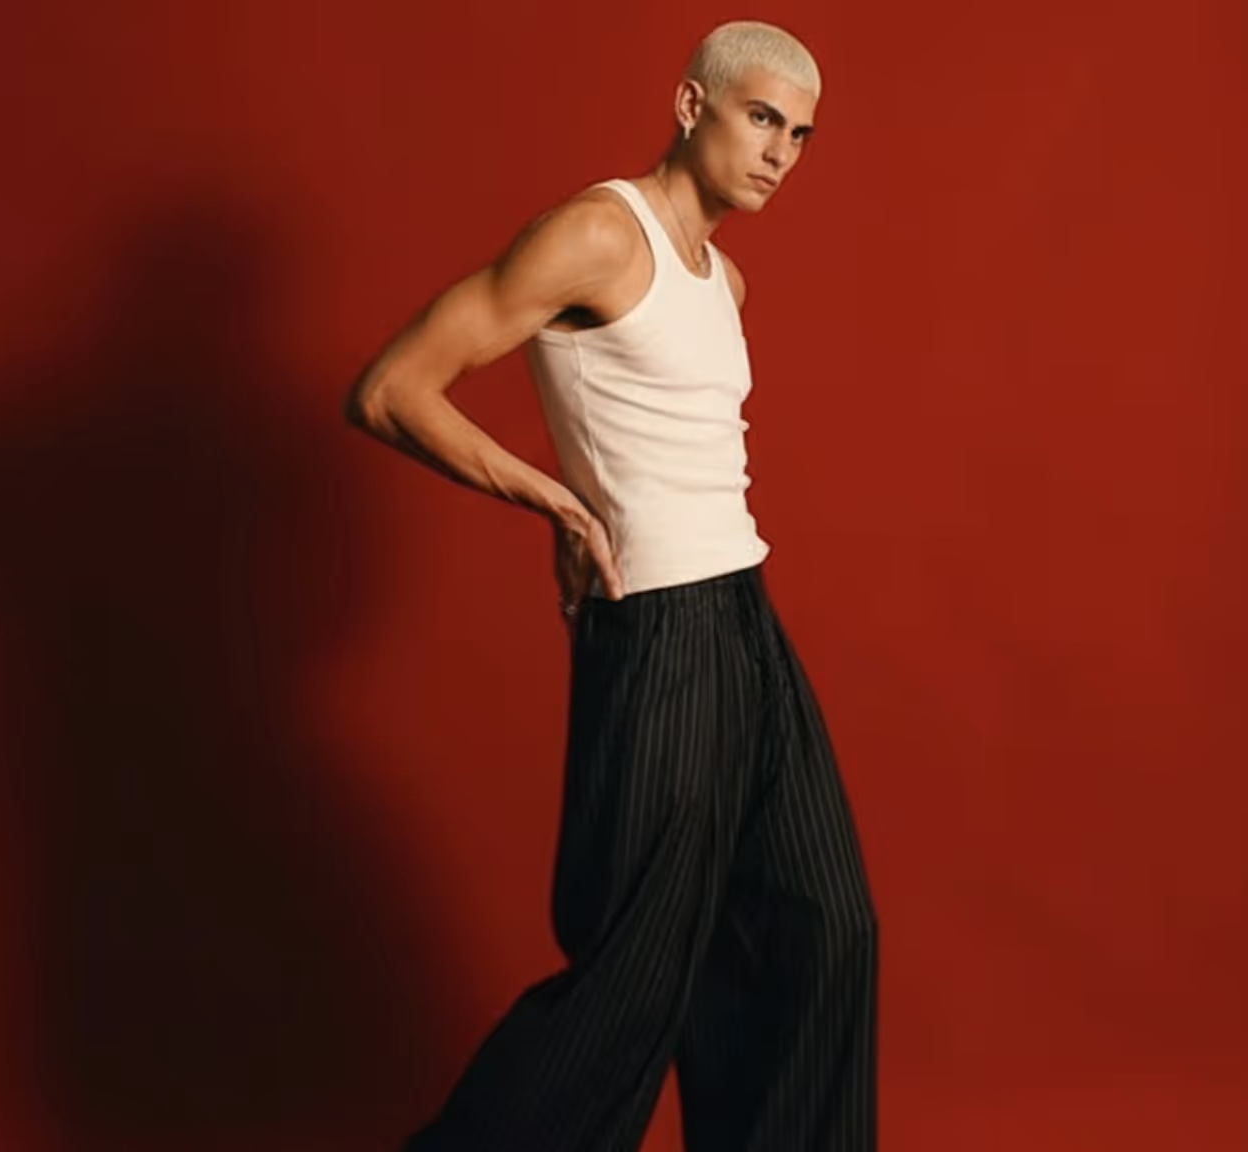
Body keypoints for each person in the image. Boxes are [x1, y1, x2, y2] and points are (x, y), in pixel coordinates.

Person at [347, 20, 877, 1152]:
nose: (779, 152)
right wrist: (555, 501)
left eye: (800, 134)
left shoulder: (724, 280)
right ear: (692, 106)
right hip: (660, 633)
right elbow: (392, 389)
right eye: (761, 118)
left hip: (745, 620)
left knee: (822, 932)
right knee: (635, 976)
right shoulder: (597, 234)